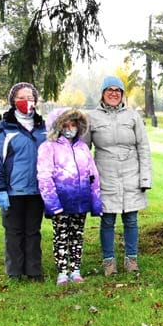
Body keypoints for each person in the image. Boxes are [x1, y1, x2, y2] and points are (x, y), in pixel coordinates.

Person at [85, 76, 152, 275]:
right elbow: (83, 150)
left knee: (131, 219)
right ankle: (109, 261)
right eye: (109, 90)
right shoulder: (92, 117)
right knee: (107, 220)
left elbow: (144, 147)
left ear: (122, 94)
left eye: (118, 90)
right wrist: (87, 178)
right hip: (105, 175)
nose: (113, 93)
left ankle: (131, 260)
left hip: (131, 174)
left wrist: (145, 178)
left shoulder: (132, 116)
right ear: (103, 93)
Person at [0, 82, 47, 281]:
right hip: (13, 190)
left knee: (33, 232)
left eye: (30, 97)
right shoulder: (4, 128)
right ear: (13, 100)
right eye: (21, 97)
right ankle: (14, 272)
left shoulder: (43, 127)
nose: (26, 101)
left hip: (37, 190)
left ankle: (33, 271)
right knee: (14, 232)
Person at [37, 108, 103, 285]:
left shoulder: (82, 148)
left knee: (77, 236)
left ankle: (75, 269)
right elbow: (44, 176)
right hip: (61, 201)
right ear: (58, 126)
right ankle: (62, 271)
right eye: (65, 124)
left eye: (73, 124)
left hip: (80, 201)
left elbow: (93, 175)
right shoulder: (48, 147)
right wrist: (53, 204)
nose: (69, 128)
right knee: (61, 235)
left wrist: (96, 202)